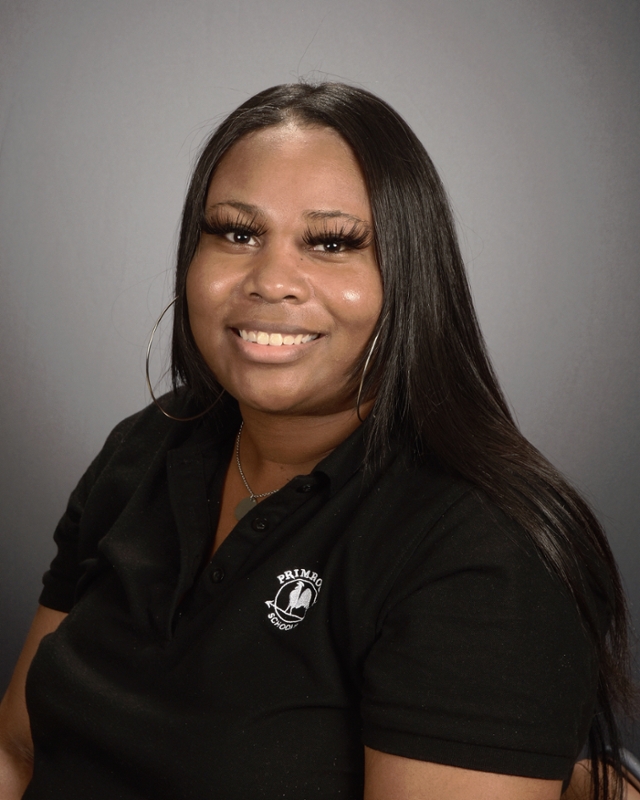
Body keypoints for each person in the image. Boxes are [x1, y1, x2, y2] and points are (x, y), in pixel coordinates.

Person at [0, 82, 635, 800]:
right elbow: (16, 751)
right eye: (237, 233)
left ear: (411, 275)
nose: (271, 281)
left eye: (332, 243)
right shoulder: (144, 448)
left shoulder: (484, 555)